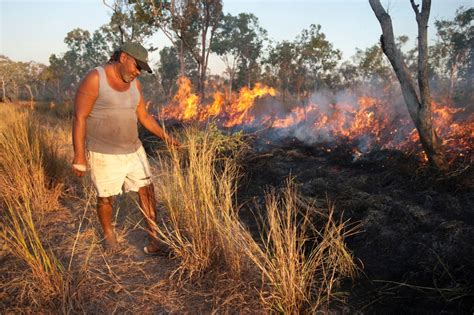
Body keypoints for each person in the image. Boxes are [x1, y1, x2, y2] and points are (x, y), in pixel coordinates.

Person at [72, 41, 179, 254]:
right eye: (136, 66)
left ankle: (154, 240)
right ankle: (109, 236)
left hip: (134, 150)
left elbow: (144, 117)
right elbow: (79, 117)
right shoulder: (95, 78)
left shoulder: (135, 85)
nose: (138, 72)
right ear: (123, 57)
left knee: (148, 191)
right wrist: (79, 157)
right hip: (104, 154)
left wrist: (168, 139)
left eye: (142, 68)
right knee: (106, 198)